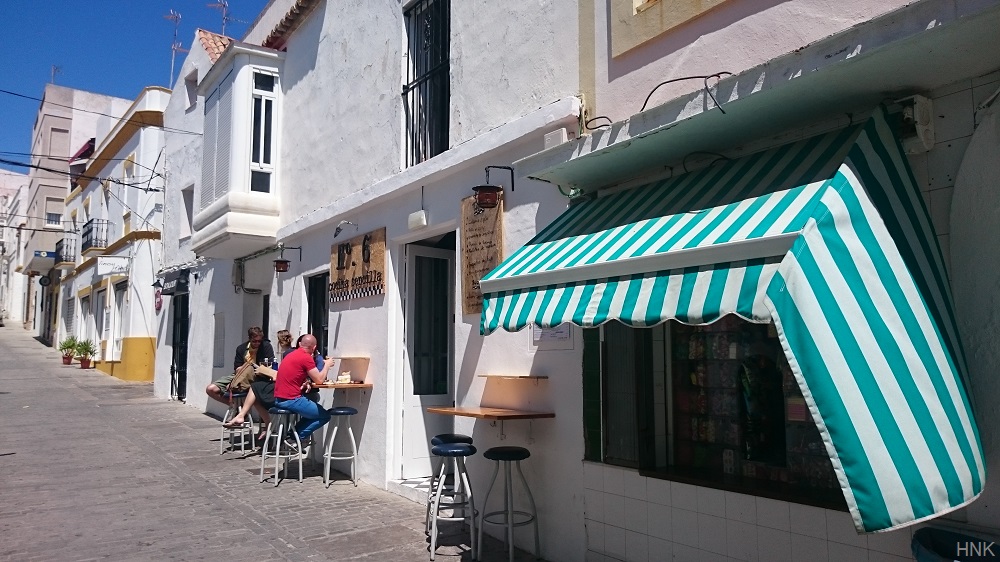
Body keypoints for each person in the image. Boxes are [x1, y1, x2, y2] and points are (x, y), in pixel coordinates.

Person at [274, 334, 334, 452]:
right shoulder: (306, 357)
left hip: (279, 398)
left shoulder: (291, 355)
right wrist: (326, 365)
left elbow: (294, 374)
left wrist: (305, 381)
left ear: (300, 344)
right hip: (291, 399)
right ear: (314, 347)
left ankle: (292, 436)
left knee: (312, 413)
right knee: (324, 415)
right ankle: (295, 438)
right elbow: (320, 380)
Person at [206, 326, 275, 405]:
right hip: (241, 374)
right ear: (249, 338)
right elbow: (237, 368)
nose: (257, 343)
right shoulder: (241, 348)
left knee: (256, 393)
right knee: (210, 389)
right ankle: (234, 406)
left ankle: (241, 410)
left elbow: (270, 364)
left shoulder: (265, 346)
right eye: (254, 341)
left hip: (259, 376)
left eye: (259, 341)